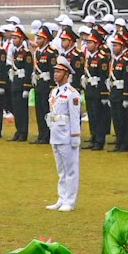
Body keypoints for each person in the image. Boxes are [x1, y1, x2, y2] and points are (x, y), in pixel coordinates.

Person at [46, 61, 83, 212]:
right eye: (55, 71)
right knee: (61, 171)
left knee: (71, 170)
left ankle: (70, 201)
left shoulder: (72, 93)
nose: (55, 74)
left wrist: (75, 137)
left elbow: (75, 117)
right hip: (55, 133)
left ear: (66, 74)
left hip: (67, 136)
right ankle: (61, 198)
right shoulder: (54, 92)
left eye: (59, 72)